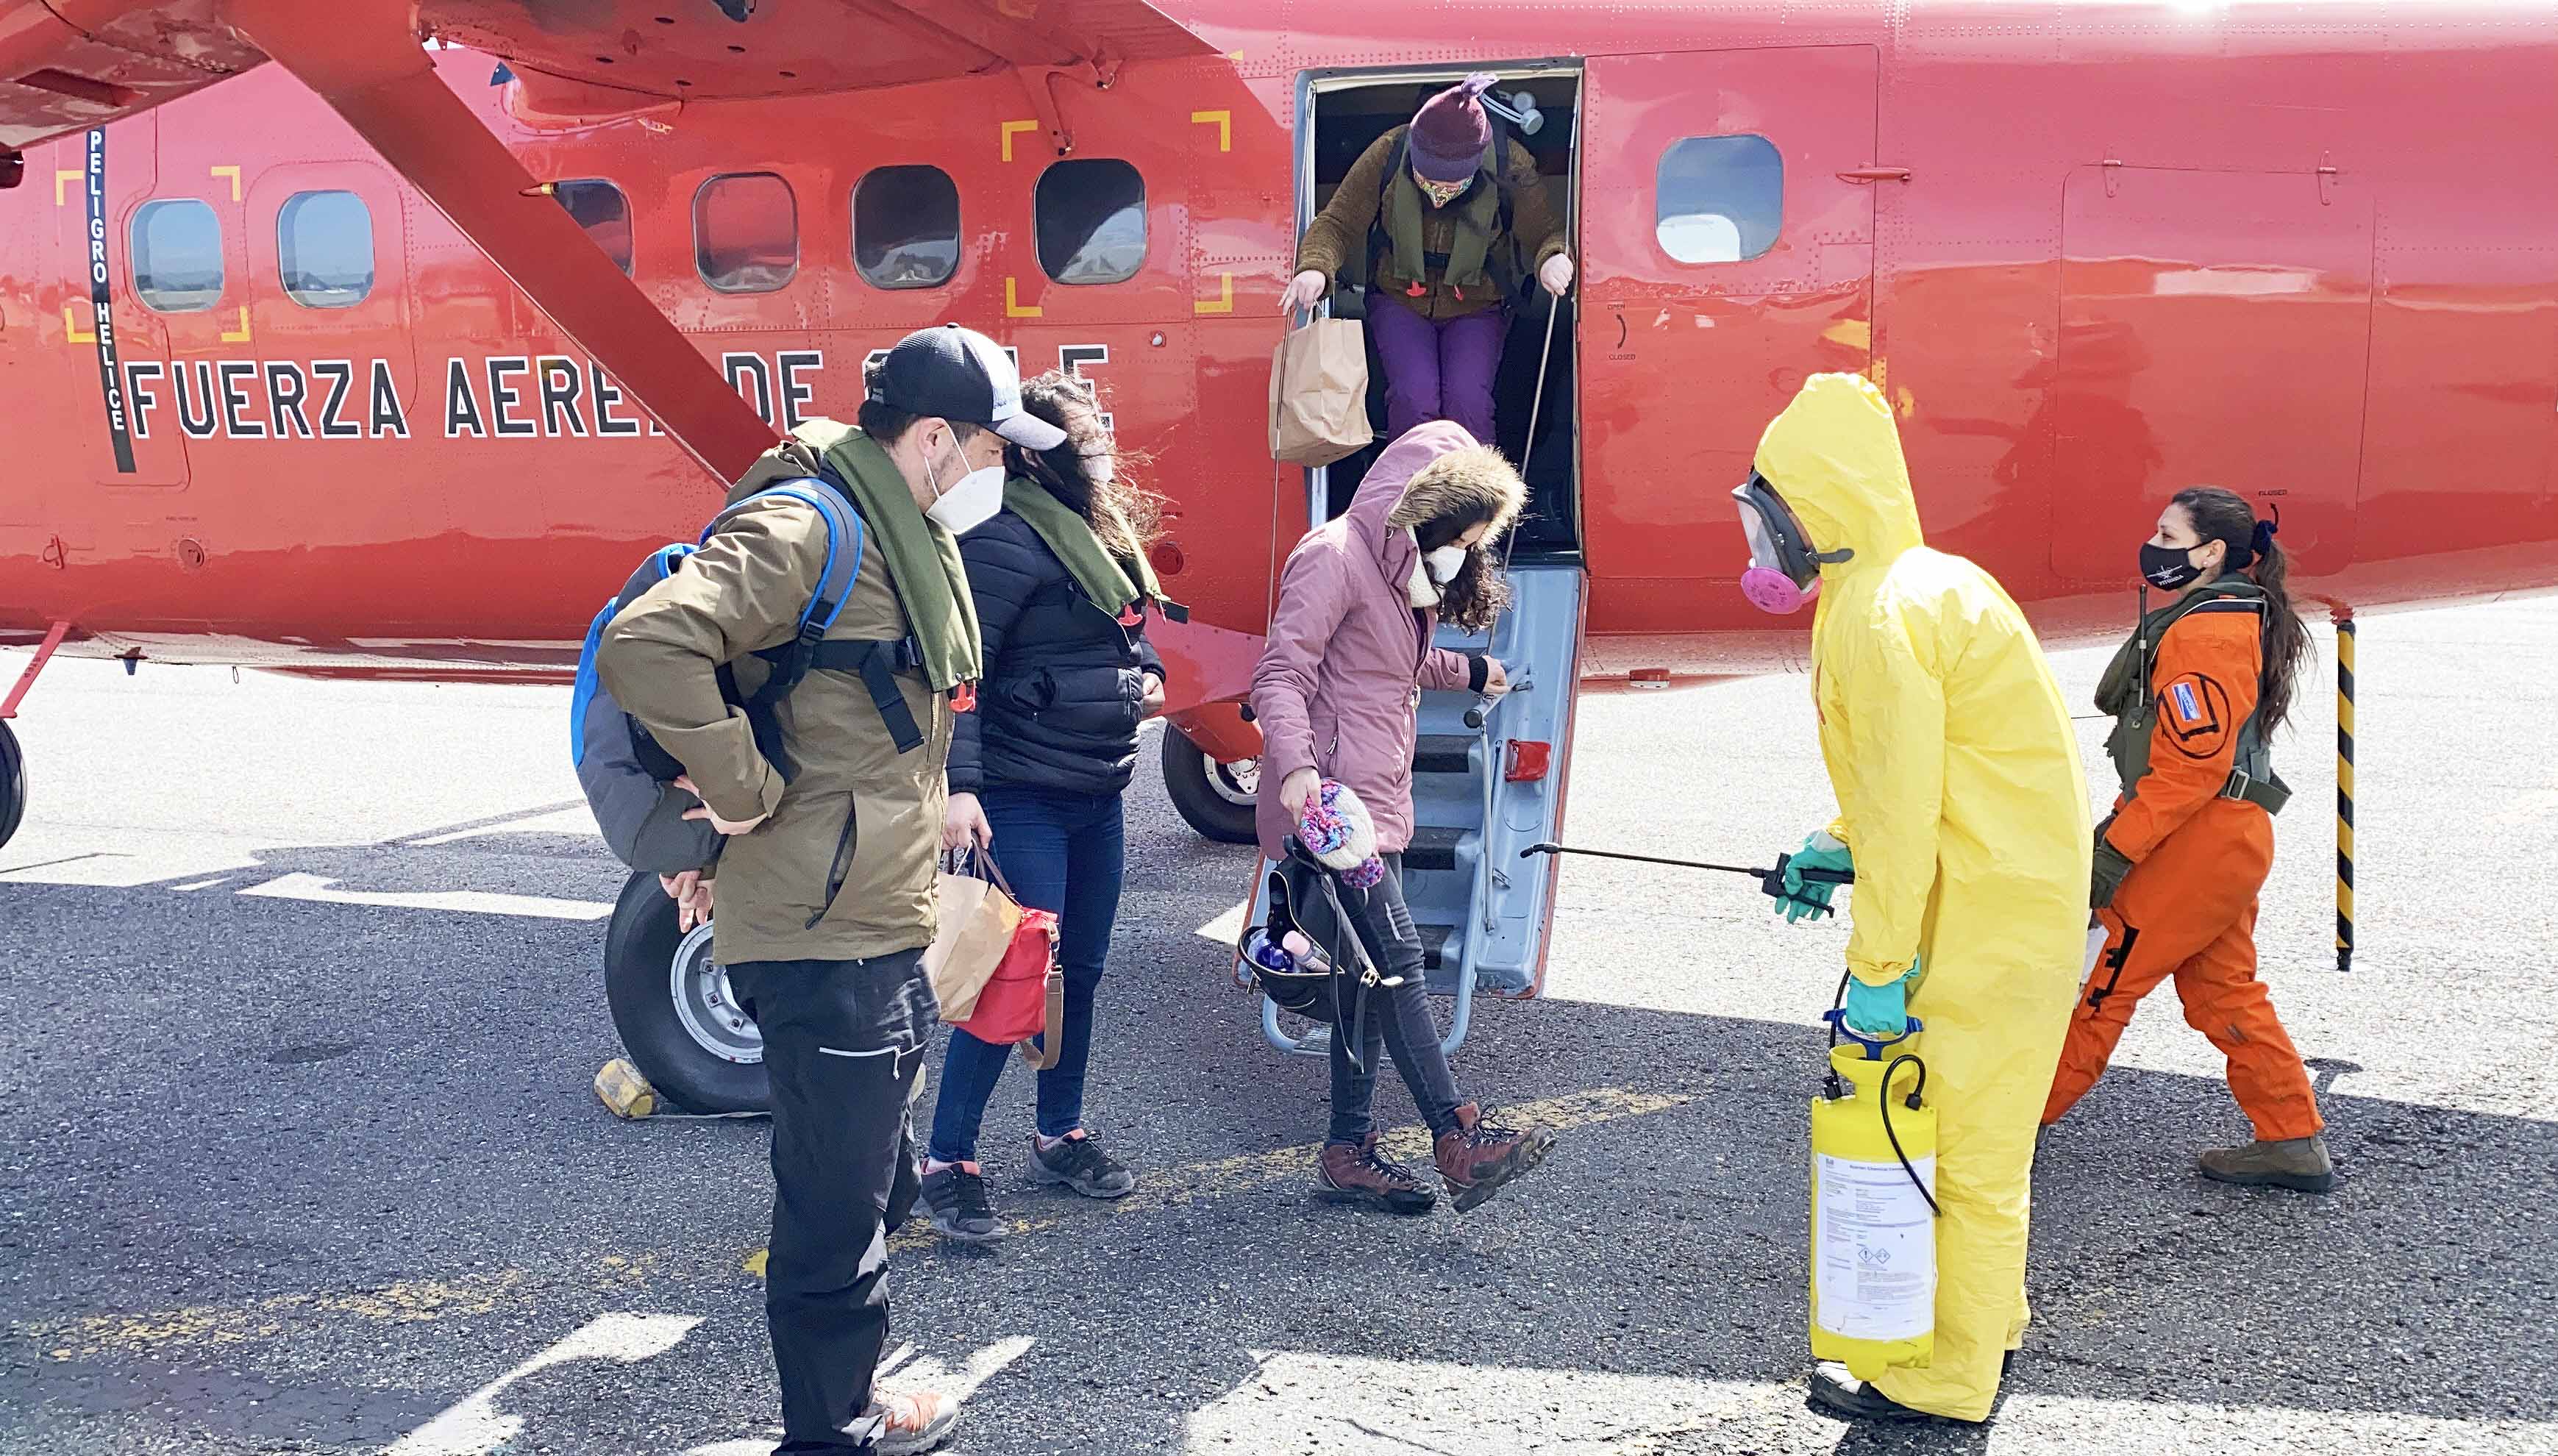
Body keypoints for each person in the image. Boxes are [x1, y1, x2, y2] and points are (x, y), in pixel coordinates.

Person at [597, 323, 1068, 1456]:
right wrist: (739, 786)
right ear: (934, 439)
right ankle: (835, 1428)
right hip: (817, 933)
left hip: (872, 920)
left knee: (873, 1180)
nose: (1004, 469)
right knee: (833, 1206)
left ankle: (844, 1390)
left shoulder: (897, 532)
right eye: (993, 448)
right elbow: (647, 641)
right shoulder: (810, 524)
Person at [1741, 374, 2089, 1424]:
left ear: (1820, 511)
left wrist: (1878, 968)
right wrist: (1832, 846)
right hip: (2003, 897)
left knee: (1960, 1153)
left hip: (1977, 919)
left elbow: (1902, 815)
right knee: (1982, 1141)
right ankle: (1991, 1325)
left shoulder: (1879, 618)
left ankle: (1944, 1381)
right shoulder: (1914, 583)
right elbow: (1916, 782)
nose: (1764, 548)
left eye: (1772, 520)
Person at [1251, 420, 1554, 1213]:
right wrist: (1299, 775)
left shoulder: (1394, 576)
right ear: (1424, 508)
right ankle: (1458, 1135)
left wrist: (1472, 669)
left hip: (1371, 803)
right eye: (1461, 536)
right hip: (1329, 812)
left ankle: (1347, 1150)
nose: (1463, 554)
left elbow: (1391, 660)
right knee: (1398, 963)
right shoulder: (1334, 557)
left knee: (1363, 982)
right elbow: (1281, 674)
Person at [919, 370, 1179, 1241]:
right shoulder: (1000, 536)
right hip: (1024, 794)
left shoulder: (1094, 537)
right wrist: (961, 786)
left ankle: (1057, 1131)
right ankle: (948, 1160)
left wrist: (1147, 677)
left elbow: (1134, 636)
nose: (1103, 452)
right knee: (1014, 973)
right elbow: (963, 672)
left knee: (1084, 975)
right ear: (1045, 453)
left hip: (1097, 791)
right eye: (1088, 439)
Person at [2039, 488, 2331, 1190]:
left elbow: (2189, 767)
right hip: (2229, 837)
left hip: (2193, 838)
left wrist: (2115, 850)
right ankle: (2292, 1140)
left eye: (2169, 535)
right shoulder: (2230, 615)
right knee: (2224, 991)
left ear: (2211, 553)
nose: (2155, 545)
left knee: (2102, 984)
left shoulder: (2204, 632)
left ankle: (2004, 1130)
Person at [1280, 74, 1572, 445]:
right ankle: (1413, 497)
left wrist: (1551, 258)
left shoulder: (1508, 161)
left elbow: (1547, 231)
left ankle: (1476, 499)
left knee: (1468, 403)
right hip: (1399, 298)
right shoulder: (1388, 151)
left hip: (1477, 303)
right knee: (1413, 399)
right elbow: (1338, 222)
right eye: (1428, 182)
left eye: (1451, 187)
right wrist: (1315, 268)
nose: (1437, 196)